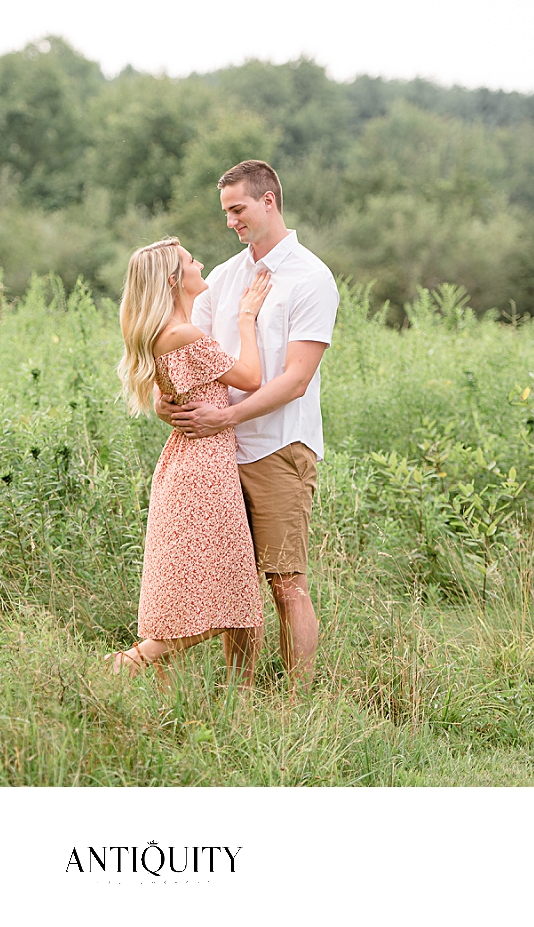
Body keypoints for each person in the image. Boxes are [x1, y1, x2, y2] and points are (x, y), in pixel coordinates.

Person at [158, 160, 339, 688]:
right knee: (236, 585)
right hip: (220, 453)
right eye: (226, 212)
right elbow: (187, 351)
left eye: (237, 209)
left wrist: (226, 416)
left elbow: (296, 379)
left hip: (280, 447)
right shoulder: (225, 276)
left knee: (287, 584)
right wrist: (166, 404)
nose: (231, 221)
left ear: (268, 201)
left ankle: (297, 704)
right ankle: (239, 697)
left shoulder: (311, 278)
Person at [108, 237, 272, 681]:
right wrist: (245, 317)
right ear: (172, 278)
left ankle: (240, 698)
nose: (200, 263)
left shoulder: (166, 333)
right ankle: (117, 668)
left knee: (232, 594)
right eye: (190, 260)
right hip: (204, 471)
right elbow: (253, 378)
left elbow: (170, 396)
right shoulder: (182, 335)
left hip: (192, 464)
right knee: (221, 599)